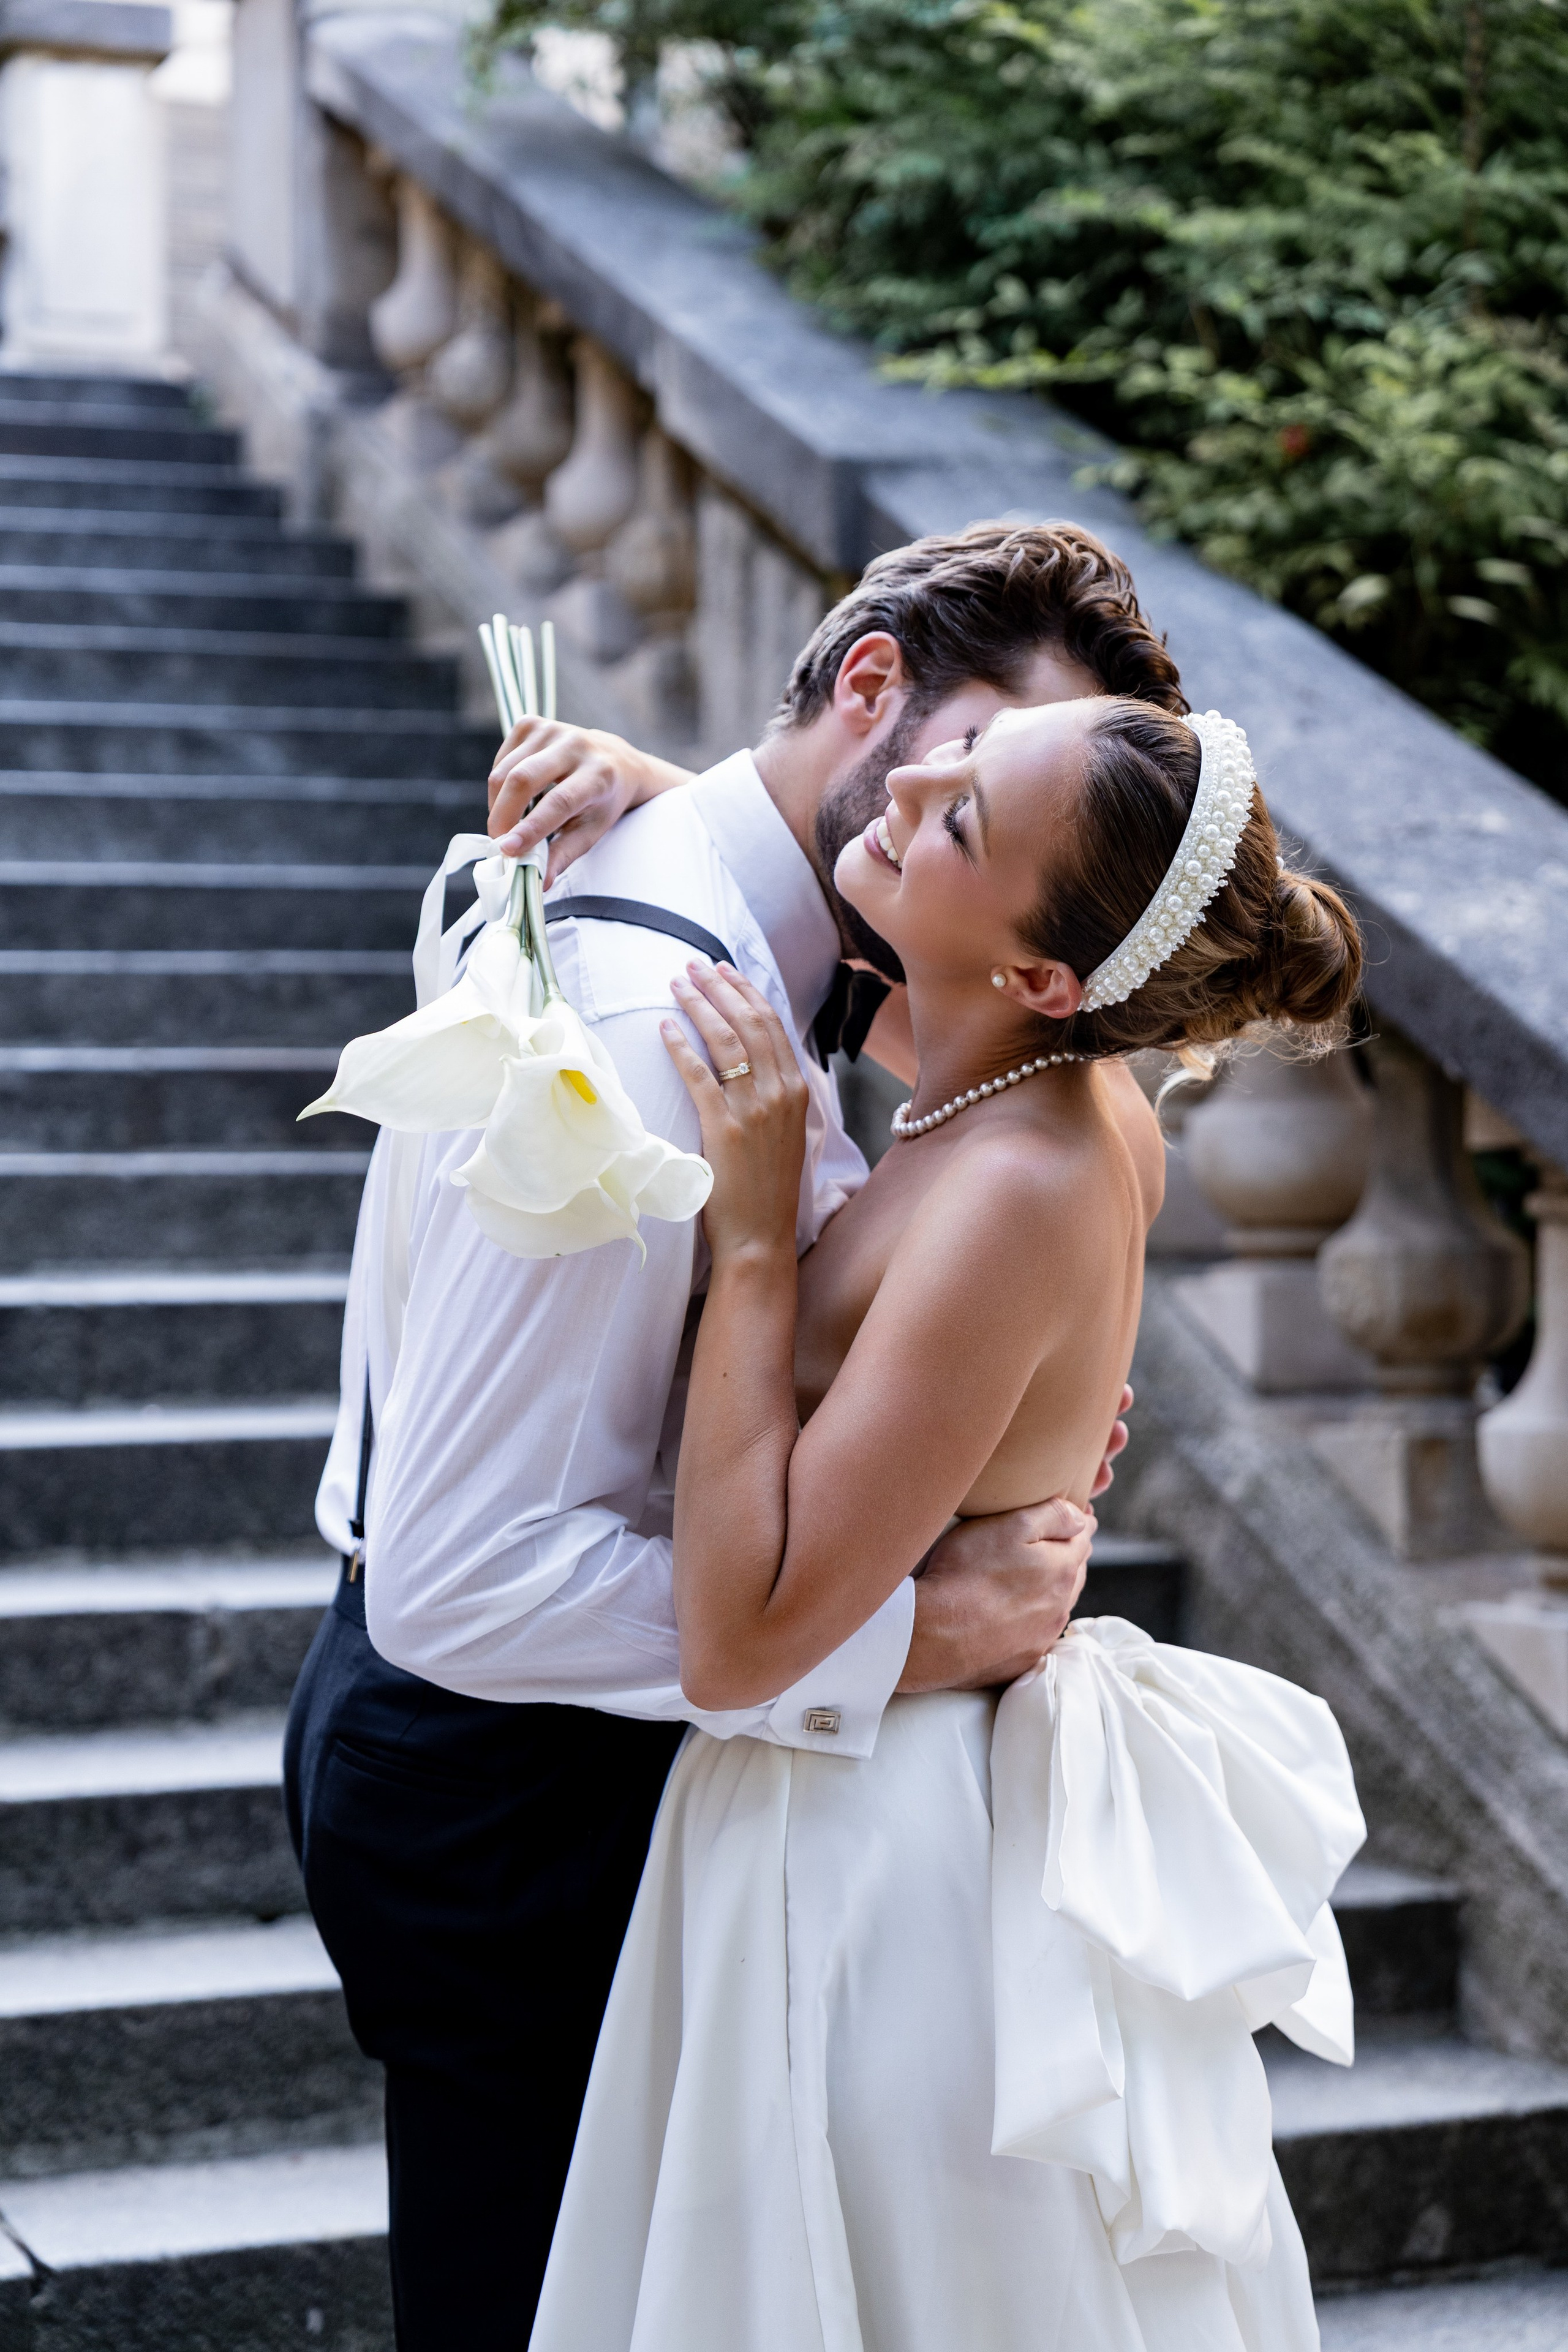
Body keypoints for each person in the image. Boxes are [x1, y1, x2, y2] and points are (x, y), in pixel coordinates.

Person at [283, 522, 1185, 2348]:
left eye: (988, 806)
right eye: (966, 762)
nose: (950, 800)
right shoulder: (636, 1023)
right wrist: (905, 1635)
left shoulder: (790, 941)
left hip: (625, 1774)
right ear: (875, 692)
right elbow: (466, 1588)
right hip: (513, 1791)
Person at [519, 696, 1366, 2351]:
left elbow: (741, 1635)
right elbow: (901, 991)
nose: (908, 780)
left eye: (966, 818)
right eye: (959, 754)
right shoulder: (1028, 1072)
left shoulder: (1022, 1179)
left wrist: (758, 1242)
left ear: (1048, 973)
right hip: (878, 1805)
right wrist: (680, 803)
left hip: (874, 1874)